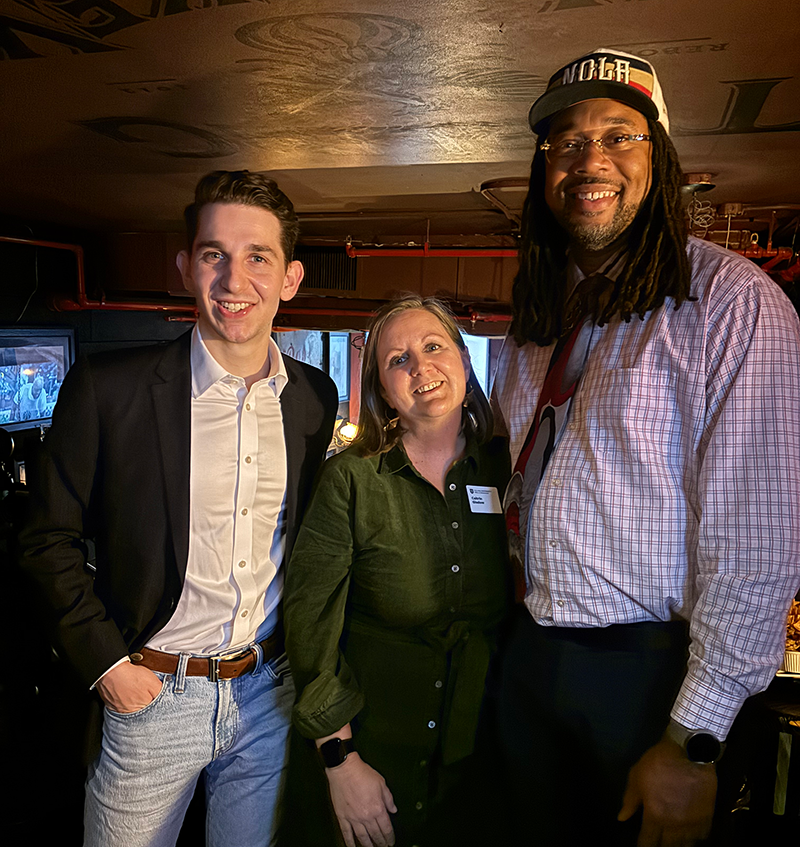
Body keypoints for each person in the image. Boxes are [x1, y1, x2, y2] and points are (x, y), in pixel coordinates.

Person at [492, 48, 800, 846]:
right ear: (543, 165)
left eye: (619, 135)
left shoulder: (733, 304)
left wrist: (692, 744)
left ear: (659, 158)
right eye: (566, 141)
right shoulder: (534, 315)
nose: (590, 159)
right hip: (526, 659)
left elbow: (756, 544)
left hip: (649, 678)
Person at [18, 170, 338, 847]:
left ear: (291, 278)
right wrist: (110, 668)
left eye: (258, 256)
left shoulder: (314, 396)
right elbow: (46, 537)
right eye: (213, 253)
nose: (232, 278)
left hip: (267, 691)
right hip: (154, 694)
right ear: (184, 266)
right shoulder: (110, 389)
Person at [284, 296, 511, 847]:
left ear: (462, 357)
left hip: (475, 764)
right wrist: (340, 759)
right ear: (383, 390)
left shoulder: (506, 466)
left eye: (433, 347)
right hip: (371, 760)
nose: (420, 367)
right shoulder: (352, 479)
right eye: (397, 360)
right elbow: (309, 623)